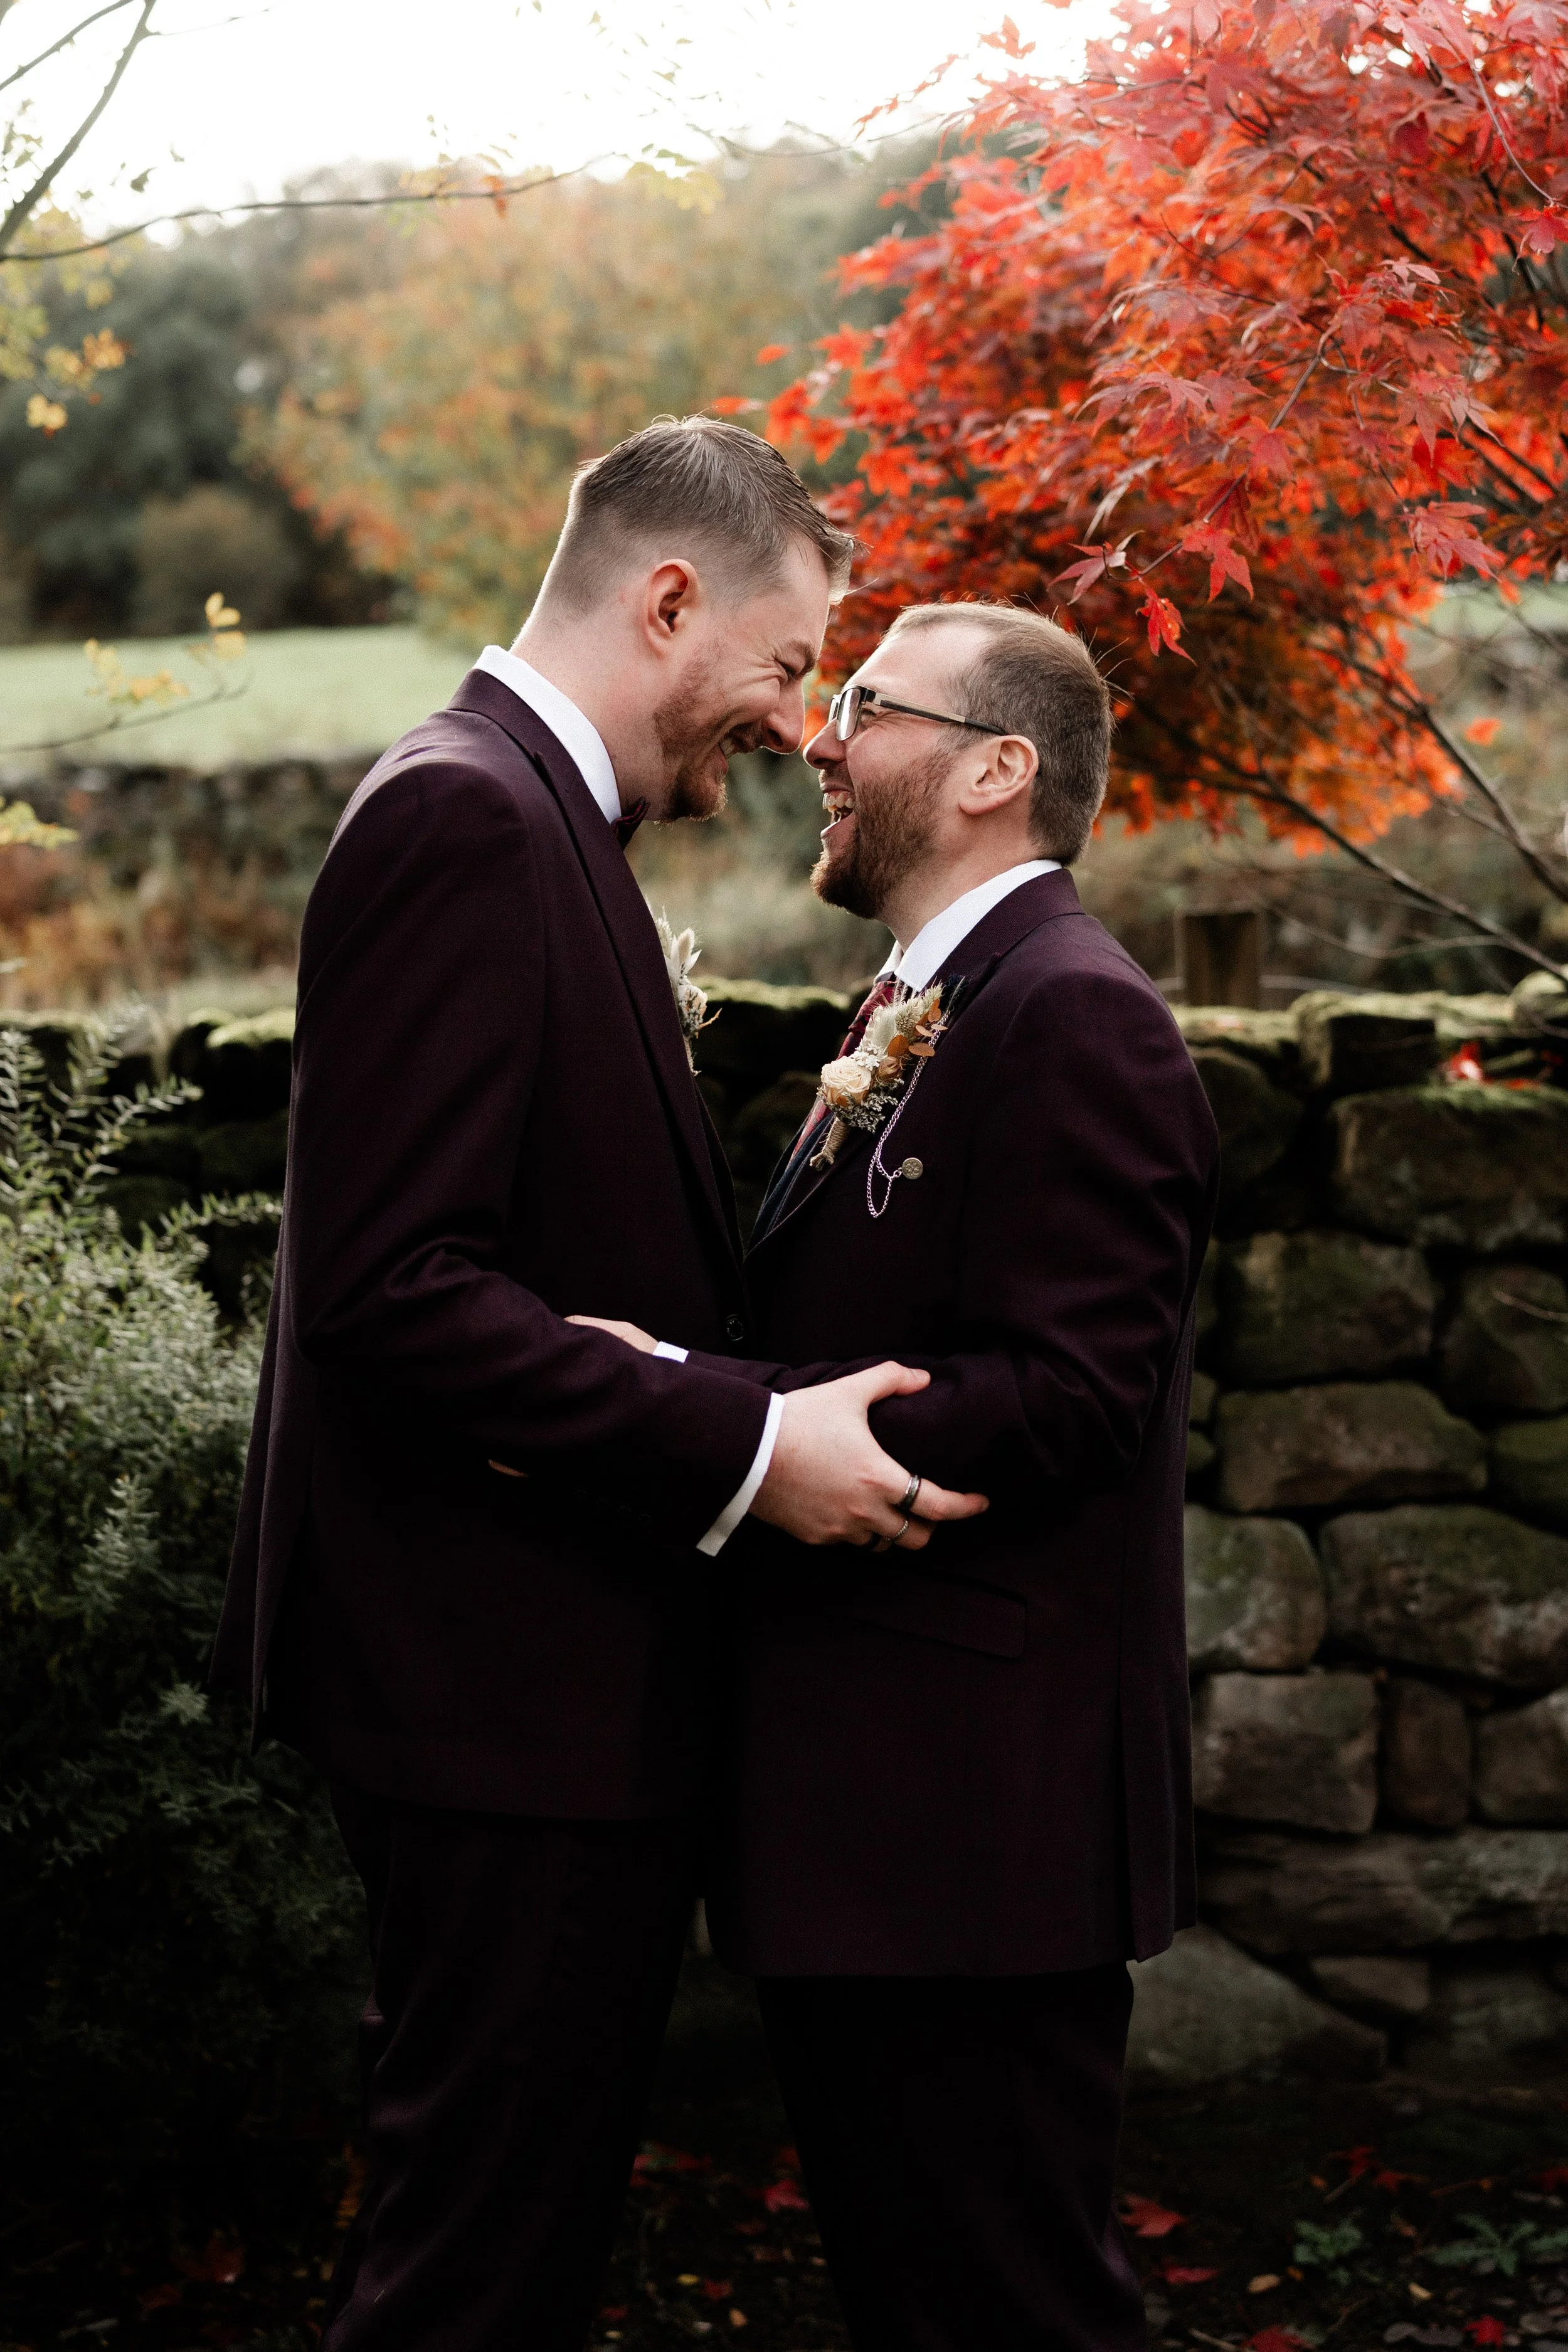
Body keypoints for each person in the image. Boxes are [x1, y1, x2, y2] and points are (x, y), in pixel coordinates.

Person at [208, 419, 985, 2352]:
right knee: (473, 2272)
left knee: (511, 2253)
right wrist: (746, 1445)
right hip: (494, 1701)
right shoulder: (463, 816)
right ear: (664, 600)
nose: (805, 729)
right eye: (792, 667)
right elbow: (392, 1291)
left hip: (534, 1694)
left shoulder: (542, 818)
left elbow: (502, 1259)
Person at [586, 601, 1219, 2352]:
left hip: (974, 1827)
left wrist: (734, 1420)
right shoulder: (928, 1001)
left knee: (1005, 2305)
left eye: (864, 705)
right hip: (874, 1818)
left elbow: (1072, 1390)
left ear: (998, 769)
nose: (816, 738)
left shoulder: (1078, 1016)